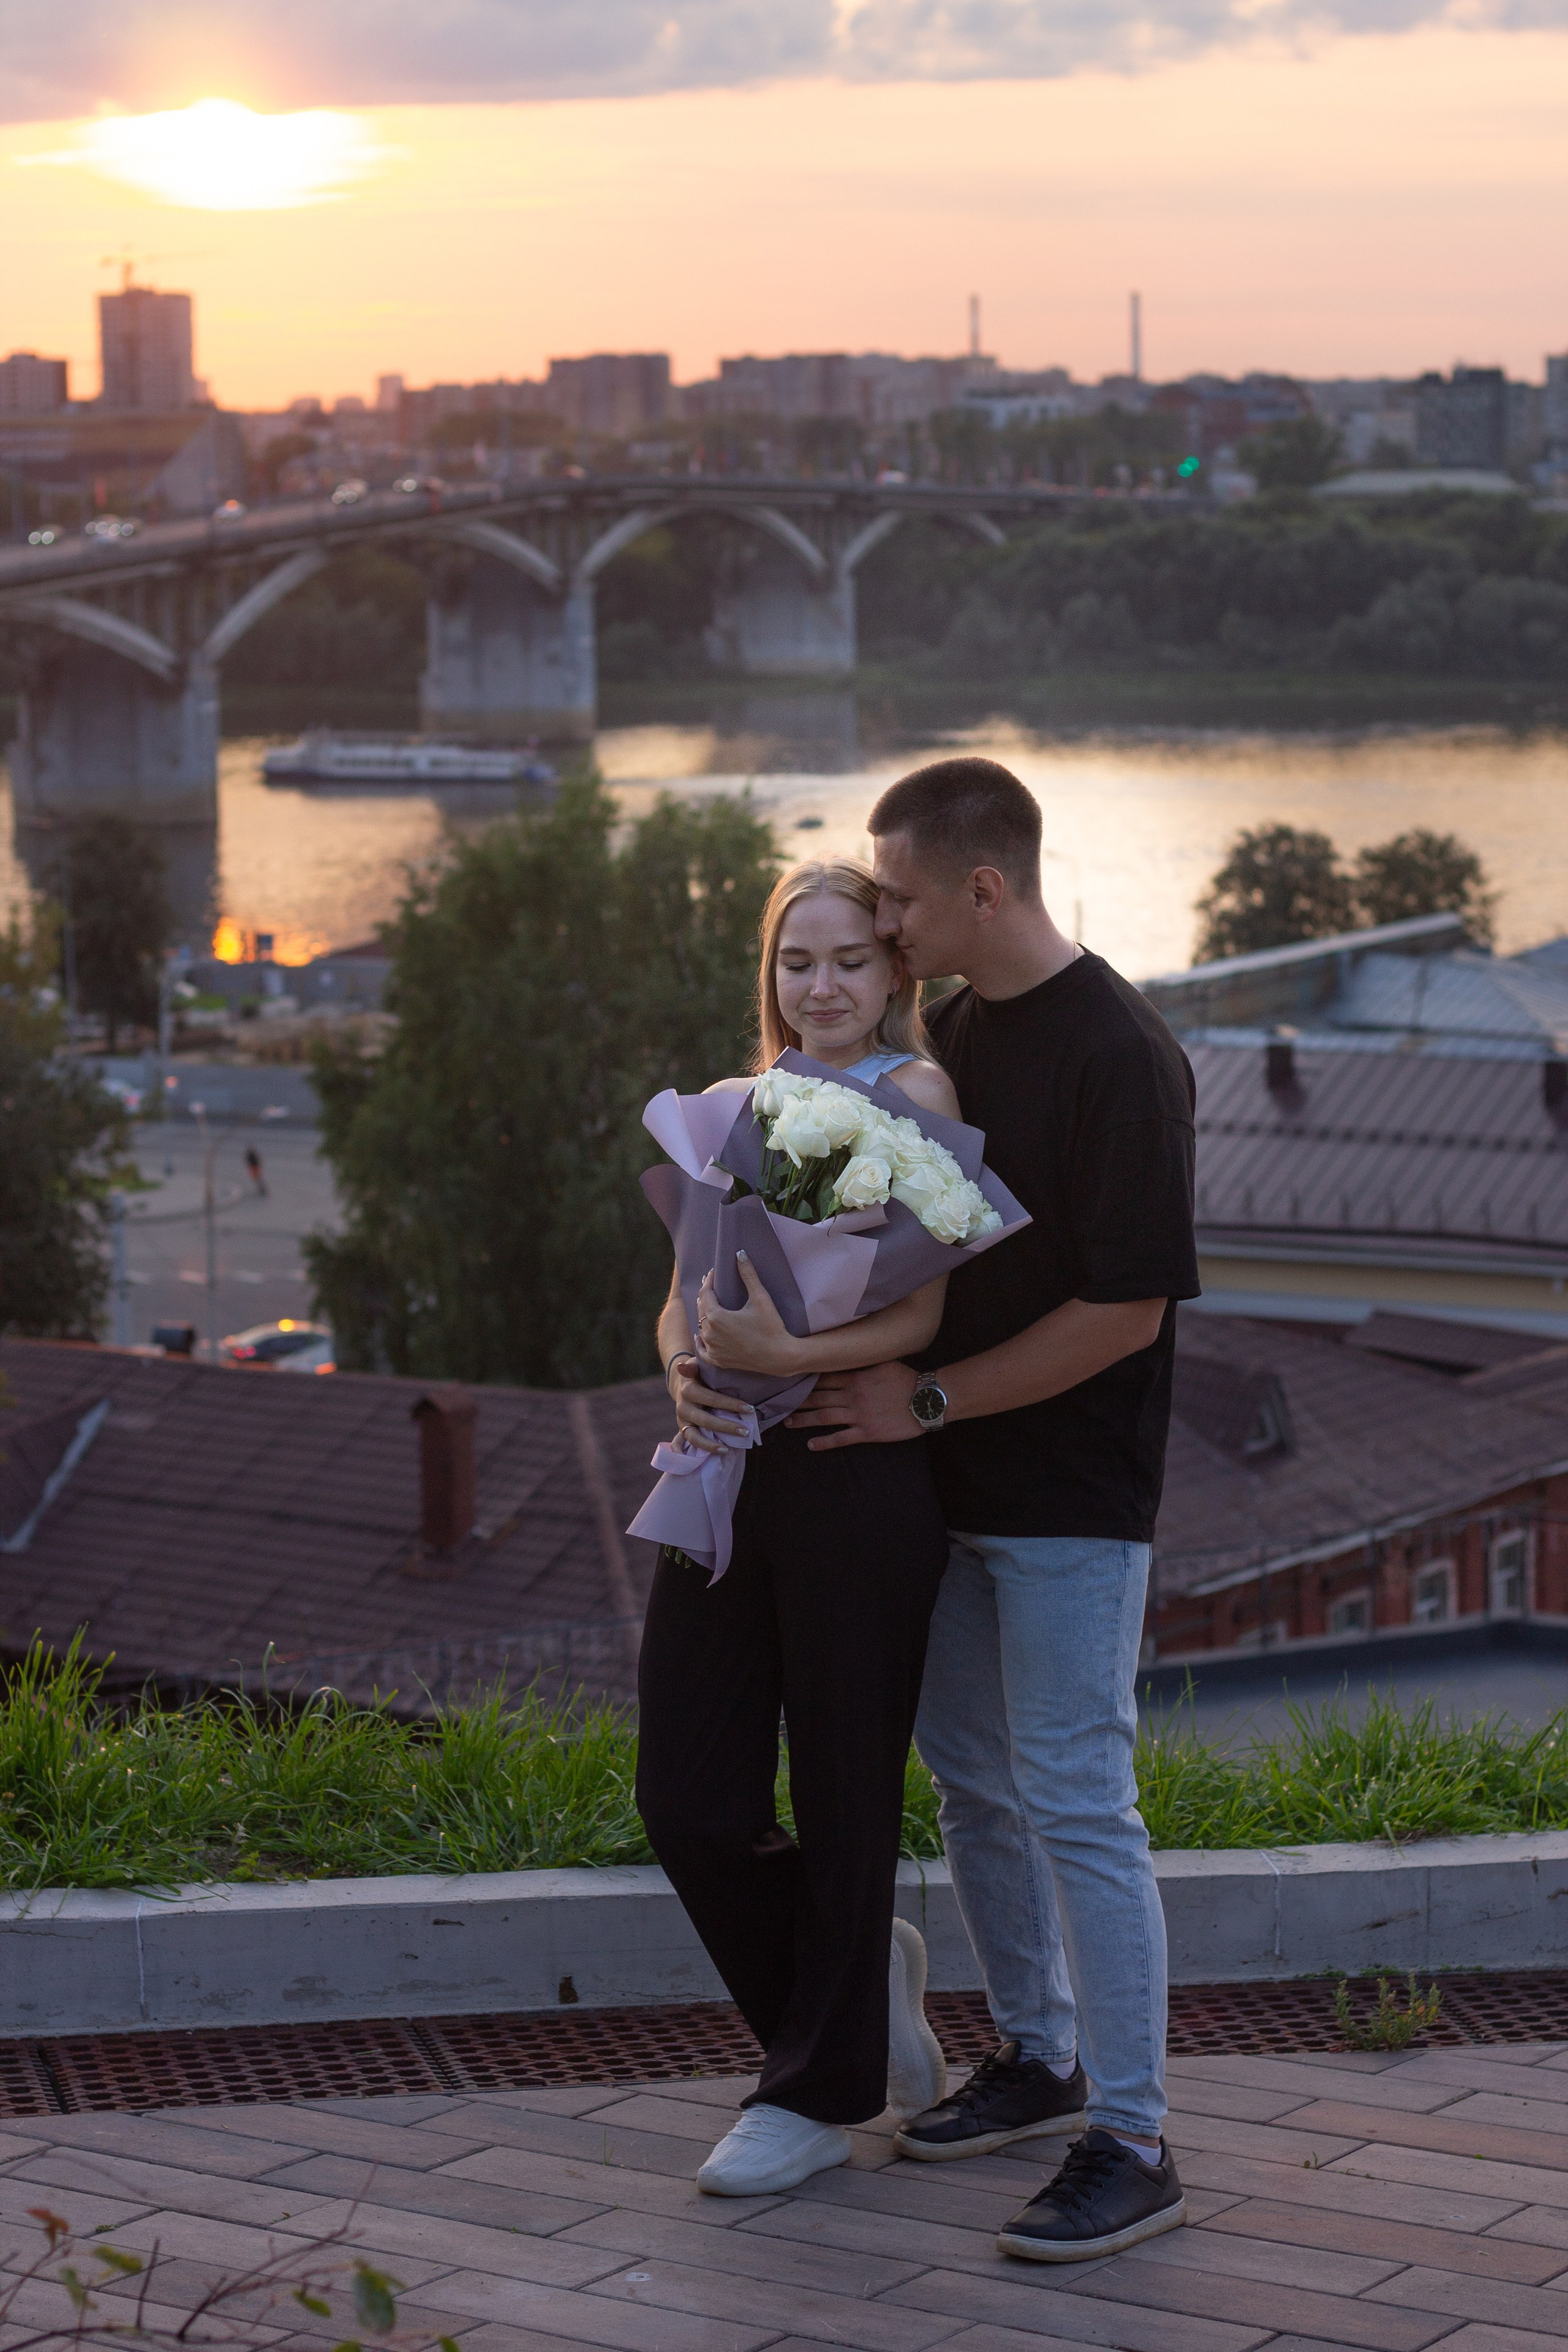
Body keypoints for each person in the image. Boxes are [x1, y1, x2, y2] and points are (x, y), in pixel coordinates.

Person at [782, 757, 1200, 2263]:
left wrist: (927, 1403)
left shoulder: (1119, 1054)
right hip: (939, 1487)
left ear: (980, 888)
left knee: (1081, 1800)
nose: (880, 923)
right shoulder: (948, 1034)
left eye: (893, 895)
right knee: (971, 1781)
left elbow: (1125, 1313)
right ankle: (1037, 2057)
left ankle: (1134, 2140)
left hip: (1071, 1499)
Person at [643, 856, 962, 2198]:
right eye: (794, 962)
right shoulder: (732, 1106)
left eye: (845, 960)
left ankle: (817, 2099)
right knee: (687, 1796)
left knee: (843, 1790)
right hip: (722, 1464)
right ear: (767, 976)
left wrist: (798, 1346)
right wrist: (678, 1361)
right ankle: (857, 1995)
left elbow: (925, 1307)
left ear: (892, 976)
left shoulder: (919, 1098)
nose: (818, 986)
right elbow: (679, 1287)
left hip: (847, 1465)